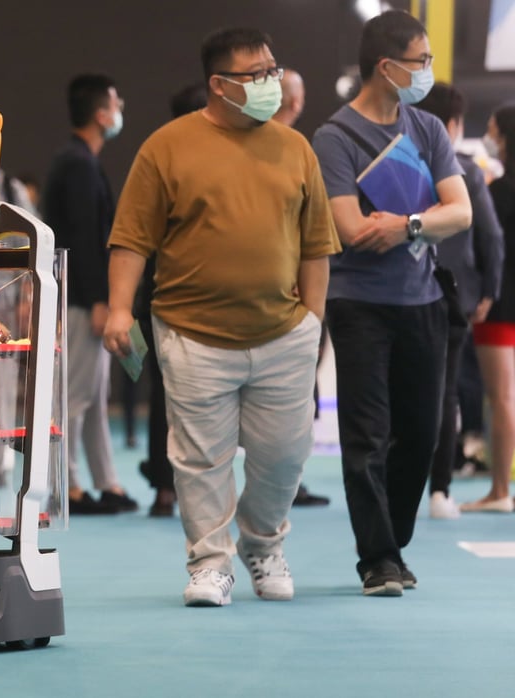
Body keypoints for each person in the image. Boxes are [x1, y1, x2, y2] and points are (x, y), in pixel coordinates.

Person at [105, 27, 339, 606]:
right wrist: (117, 309)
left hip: (285, 332)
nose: (271, 82)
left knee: (284, 455)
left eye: (272, 69)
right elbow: (131, 238)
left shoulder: (295, 148)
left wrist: (312, 322)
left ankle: (263, 545)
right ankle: (210, 563)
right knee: (200, 459)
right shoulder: (166, 146)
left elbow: (316, 245)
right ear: (218, 84)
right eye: (255, 74)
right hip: (191, 333)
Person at [311, 10, 472, 596]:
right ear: (387, 67)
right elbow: (352, 228)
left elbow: (462, 212)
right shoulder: (332, 138)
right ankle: (377, 557)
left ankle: (393, 544)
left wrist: (406, 225)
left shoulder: (427, 128)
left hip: (424, 300)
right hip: (359, 305)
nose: (429, 71)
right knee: (366, 436)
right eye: (421, 61)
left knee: (424, 434)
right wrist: (424, 222)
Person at [43, 74, 138, 515]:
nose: (120, 110)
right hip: (80, 298)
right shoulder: (77, 163)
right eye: (117, 103)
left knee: (95, 396)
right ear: (102, 114)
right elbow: (81, 238)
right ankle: (68, 488)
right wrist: (100, 299)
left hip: (84, 294)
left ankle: (107, 483)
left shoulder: (82, 159)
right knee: (75, 396)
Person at [413, 84, 504, 518]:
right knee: (444, 391)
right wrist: (489, 289)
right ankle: (440, 491)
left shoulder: (399, 165)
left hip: (403, 291)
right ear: (452, 125)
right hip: (454, 295)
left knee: (402, 391)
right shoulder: (466, 171)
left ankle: (401, 487)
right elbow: (490, 235)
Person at [135, 81, 207, 518]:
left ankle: (167, 488)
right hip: (179, 300)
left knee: (166, 396)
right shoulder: (176, 166)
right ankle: (172, 487)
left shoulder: (157, 163)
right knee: (186, 399)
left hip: (158, 299)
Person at [271, 68, 333, 509]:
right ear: (295, 103)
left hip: (294, 303)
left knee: (291, 397)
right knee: (286, 397)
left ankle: (287, 483)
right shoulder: (298, 154)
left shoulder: (300, 153)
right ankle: (284, 484)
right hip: (283, 301)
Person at [462, 104, 515, 513]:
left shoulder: (495, 191)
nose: (489, 137)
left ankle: (500, 490)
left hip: (497, 305)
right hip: (500, 303)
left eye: (494, 131)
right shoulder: (494, 188)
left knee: (500, 399)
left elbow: (485, 248)